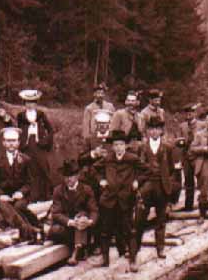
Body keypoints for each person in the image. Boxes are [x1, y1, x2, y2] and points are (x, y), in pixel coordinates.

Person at [93, 129, 144, 269]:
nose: (118, 148)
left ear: (126, 145)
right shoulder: (107, 159)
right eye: (116, 145)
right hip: (109, 199)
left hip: (125, 199)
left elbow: (146, 171)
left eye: (121, 144)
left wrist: (137, 181)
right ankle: (105, 259)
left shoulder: (132, 159)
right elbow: (95, 169)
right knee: (105, 230)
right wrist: (101, 180)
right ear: (112, 146)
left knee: (129, 230)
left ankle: (133, 260)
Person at [133, 115, 180, 261]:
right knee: (140, 219)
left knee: (160, 220)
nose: (153, 132)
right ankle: (135, 248)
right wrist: (137, 183)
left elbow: (174, 171)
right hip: (146, 185)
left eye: (156, 129)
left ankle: (160, 248)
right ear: (147, 131)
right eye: (151, 129)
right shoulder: (141, 148)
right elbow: (136, 168)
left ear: (161, 131)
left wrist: (172, 190)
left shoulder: (168, 147)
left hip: (162, 186)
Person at [0, 127, 40, 241]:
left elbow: (30, 182)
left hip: (20, 196)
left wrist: (21, 192)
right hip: (4, 195)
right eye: (8, 141)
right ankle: (28, 228)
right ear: (3, 143)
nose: (11, 144)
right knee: (1, 205)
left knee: (18, 206)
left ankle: (27, 228)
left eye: (14, 141)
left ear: (18, 143)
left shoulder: (26, 159)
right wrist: (0, 194)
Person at [45, 159, 98, 265]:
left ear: (77, 176)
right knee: (55, 230)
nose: (68, 179)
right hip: (67, 227)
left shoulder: (86, 189)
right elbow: (56, 213)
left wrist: (89, 221)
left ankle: (76, 253)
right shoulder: (58, 190)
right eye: (66, 176)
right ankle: (81, 247)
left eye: (71, 176)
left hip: (84, 226)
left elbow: (94, 210)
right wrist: (70, 222)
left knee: (82, 216)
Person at [16, 88, 55, 203]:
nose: (30, 105)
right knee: (29, 170)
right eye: (28, 102)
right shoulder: (21, 116)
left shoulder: (41, 115)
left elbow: (50, 130)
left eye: (32, 102)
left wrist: (44, 141)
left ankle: (46, 196)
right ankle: (31, 197)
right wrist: (21, 143)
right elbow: (19, 130)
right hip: (27, 146)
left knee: (43, 168)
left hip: (39, 145)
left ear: (36, 103)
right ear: (24, 103)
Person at [174, 105, 197, 210]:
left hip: (198, 156)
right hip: (186, 156)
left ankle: (206, 204)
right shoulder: (182, 126)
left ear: (194, 113)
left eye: (191, 113)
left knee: (203, 180)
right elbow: (178, 140)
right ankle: (189, 205)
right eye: (187, 113)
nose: (189, 115)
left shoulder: (201, 125)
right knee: (188, 181)